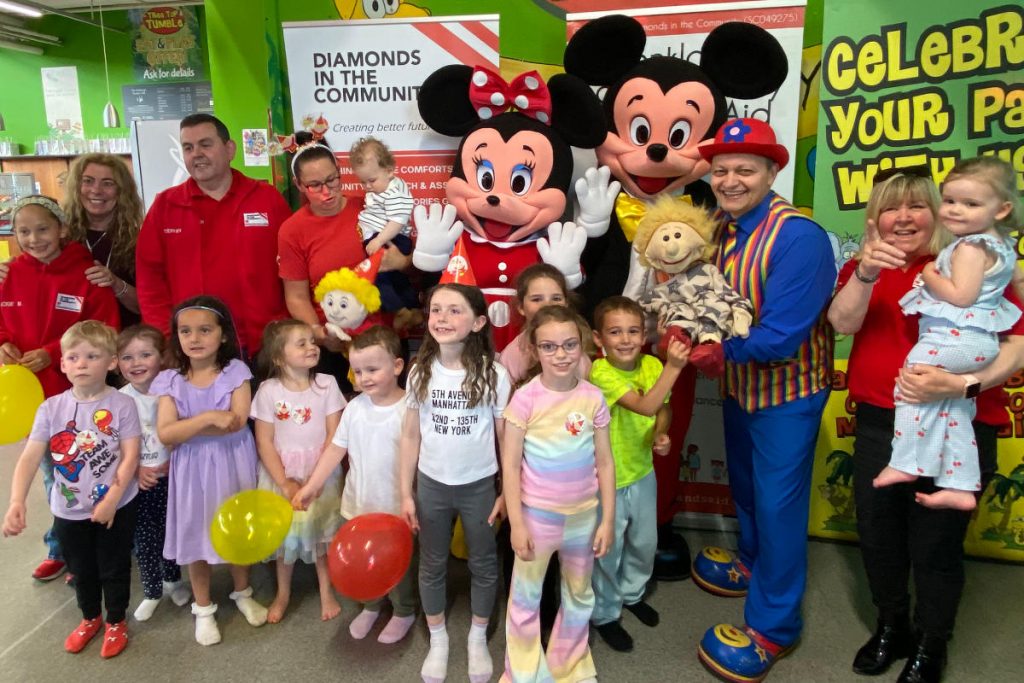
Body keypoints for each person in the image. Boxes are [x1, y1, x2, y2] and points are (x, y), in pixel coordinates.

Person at [828, 164, 1024, 683]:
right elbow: (842, 324)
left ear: (939, 211)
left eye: (917, 204)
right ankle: (891, 626)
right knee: (878, 534)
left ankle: (932, 642)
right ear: (875, 217)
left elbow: (1017, 344)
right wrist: (866, 273)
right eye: (891, 206)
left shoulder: (972, 262)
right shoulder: (862, 267)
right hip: (879, 424)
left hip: (960, 419)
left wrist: (962, 385)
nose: (904, 216)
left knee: (937, 544)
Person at [690, 118, 836, 683]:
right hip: (740, 388)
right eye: (721, 169)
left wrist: (715, 353)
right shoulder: (722, 229)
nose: (729, 179)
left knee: (778, 507)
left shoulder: (798, 236)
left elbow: (782, 335)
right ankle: (751, 562)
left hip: (789, 394)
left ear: (772, 173)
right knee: (747, 486)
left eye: (744, 169)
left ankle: (775, 627)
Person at [875, 158, 1020, 510]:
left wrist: (929, 274)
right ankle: (959, 483)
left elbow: (961, 295)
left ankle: (906, 461)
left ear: (1001, 209)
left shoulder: (969, 248)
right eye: (951, 201)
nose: (956, 211)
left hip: (960, 340)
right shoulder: (998, 244)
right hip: (972, 341)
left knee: (910, 383)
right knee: (954, 413)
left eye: (970, 204)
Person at [2, 321, 140, 659]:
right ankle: (90, 617)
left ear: (111, 362)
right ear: (62, 364)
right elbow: (30, 457)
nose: (81, 363)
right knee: (81, 568)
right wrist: (16, 501)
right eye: (73, 357)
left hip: (116, 506)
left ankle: (116, 620)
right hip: (68, 510)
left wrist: (111, 500)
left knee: (114, 567)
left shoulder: (123, 405)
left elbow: (130, 456)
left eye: (92, 356)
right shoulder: (50, 408)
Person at [0, 196, 120, 583]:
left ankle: (89, 544)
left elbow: (105, 329)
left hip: (82, 395)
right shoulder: (9, 274)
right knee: (55, 476)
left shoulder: (86, 274)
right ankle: (65, 547)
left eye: (43, 229)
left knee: (89, 471)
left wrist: (52, 353)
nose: (34, 239)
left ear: (63, 229)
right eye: (24, 231)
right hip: (32, 398)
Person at [399, 283, 511, 683]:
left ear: (478, 322)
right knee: (431, 562)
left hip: (479, 485)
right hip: (432, 485)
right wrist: (405, 493)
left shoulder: (495, 374)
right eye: (436, 310)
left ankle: (478, 636)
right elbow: (411, 436)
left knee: (483, 563)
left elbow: (504, 439)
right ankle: (438, 637)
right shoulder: (420, 371)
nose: (442, 318)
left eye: (454, 311)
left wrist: (505, 493)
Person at [501, 305, 615, 683]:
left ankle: (569, 665)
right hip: (537, 519)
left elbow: (605, 463)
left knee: (579, 594)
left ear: (582, 345)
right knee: (525, 599)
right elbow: (511, 466)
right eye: (549, 346)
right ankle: (523, 671)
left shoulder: (593, 398)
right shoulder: (525, 399)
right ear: (534, 350)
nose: (561, 354)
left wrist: (608, 520)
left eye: (569, 344)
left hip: (584, 517)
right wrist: (516, 524)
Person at [152, 295, 268, 646]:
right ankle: (203, 608)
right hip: (192, 470)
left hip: (232, 462)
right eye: (185, 331)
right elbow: (166, 433)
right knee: (196, 533)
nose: (195, 338)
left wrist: (188, 426)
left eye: (204, 330)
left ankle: (242, 591)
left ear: (222, 335)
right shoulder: (170, 380)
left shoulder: (236, 372)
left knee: (235, 530)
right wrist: (206, 417)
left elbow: (235, 421)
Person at [295, 325, 417, 644]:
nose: (364, 378)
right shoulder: (355, 408)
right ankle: (371, 604)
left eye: (372, 369)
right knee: (364, 561)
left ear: (397, 366)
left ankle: (403, 611)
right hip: (359, 506)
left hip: (394, 508)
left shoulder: (409, 410)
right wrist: (312, 485)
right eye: (358, 370)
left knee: (399, 564)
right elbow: (336, 449)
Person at [135, 113, 290, 359]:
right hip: (195, 351)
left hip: (266, 346)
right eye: (188, 147)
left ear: (229, 149)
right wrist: (165, 337)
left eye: (205, 144)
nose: (196, 153)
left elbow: (293, 270)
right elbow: (149, 281)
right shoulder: (165, 206)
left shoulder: (267, 198)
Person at [588, 296, 689, 652]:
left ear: (644, 334)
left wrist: (661, 432)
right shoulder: (600, 373)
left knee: (645, 543)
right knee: (607, 549)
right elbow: (644, 404)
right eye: (616, 332)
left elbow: (662, 408)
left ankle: (632, 593)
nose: (627, 339)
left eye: (634, 331)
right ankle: (604, 613)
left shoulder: (649, 364)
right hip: (608, 481)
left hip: (643, 472)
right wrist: (674, 367)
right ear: (599, 339)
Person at [277, 133, 413, 386]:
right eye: (314, 185)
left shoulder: (369, 208)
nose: (326, 192)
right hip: (334, 343)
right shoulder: (292, 230)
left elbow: (412, 260)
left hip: (384, 338)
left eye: (332, 180)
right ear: (298, 184)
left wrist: (402, 263)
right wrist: (319, 334)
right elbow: (296, 296)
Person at [251, 319, 345, 623]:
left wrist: (316, 478)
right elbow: (264, 441)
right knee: (286, 537)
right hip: (282, 474)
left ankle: (326, 590)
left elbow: (335, 435)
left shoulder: (327, 384)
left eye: (312, 341)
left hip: (320, 471)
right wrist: (285, 483)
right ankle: (283, 593)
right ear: (279, 357)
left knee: (321, 532)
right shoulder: (267, 390)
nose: (311, 347)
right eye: (301, 343)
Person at [0, 154, 144, 326]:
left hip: (125, 340)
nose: (96, 190)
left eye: (107, 183)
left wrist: (116, 284)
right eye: (88, 181)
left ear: (122, 191)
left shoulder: (139, 241)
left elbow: (148, 305)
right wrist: (9, 271)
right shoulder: (54, 234)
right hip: (66, 345)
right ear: (76, 186)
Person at [117, 324, 191, 621]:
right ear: (116, 362)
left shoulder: (173, 390)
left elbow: (187, 430)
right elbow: (114, 445)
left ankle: (173, 579)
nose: (136, 363)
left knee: (172, 532)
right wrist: (135, 469)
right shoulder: (119, 400)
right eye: (127, 357)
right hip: (139, 483)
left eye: (145, 355)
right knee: (146, 538)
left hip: (173, 477)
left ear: (161, 357)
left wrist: (176, 461)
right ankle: (151, 590)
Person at [350, 136, 421, 320]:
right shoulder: (381, 189)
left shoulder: (394, 191)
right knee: (396, 279)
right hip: (382, 236)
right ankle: (412, 309)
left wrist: (379, 240)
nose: (367, 186)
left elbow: (397, 221)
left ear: (389, 171)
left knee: (376, 277)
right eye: (362, 182)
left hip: (389, 238)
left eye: (371, 180)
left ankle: (399, 311)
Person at [500, 264, 592, 384]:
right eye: (537, 299)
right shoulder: (513, 354)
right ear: (521, 307)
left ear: (566, 304)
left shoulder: (579, 349)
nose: (547, 305)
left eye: (556, 298)